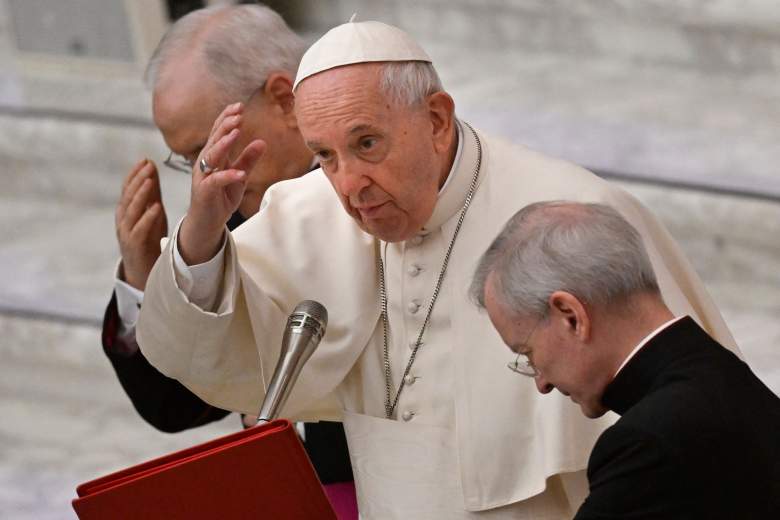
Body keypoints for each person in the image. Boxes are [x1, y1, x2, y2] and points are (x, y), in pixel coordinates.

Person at [137, 19, 740, 518]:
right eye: (325, 156)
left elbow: (696, 416)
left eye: (367, 144)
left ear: (436, 118)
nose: (349, 185)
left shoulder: (574, 212)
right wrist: (202, 232)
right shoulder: (310, 210)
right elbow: (197, 352)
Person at [101, 4, 355, 511]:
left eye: (206, 147)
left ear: (284, 99)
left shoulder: (374, 192)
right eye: (190, 158)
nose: (203, 172)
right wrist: (144, 277)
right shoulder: (229, 219)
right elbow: (174, 405)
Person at [470, 201, 780, 519]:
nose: (542, 383)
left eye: (527, 353)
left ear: (571, 316)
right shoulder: (728, 379)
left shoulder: (650, 442)